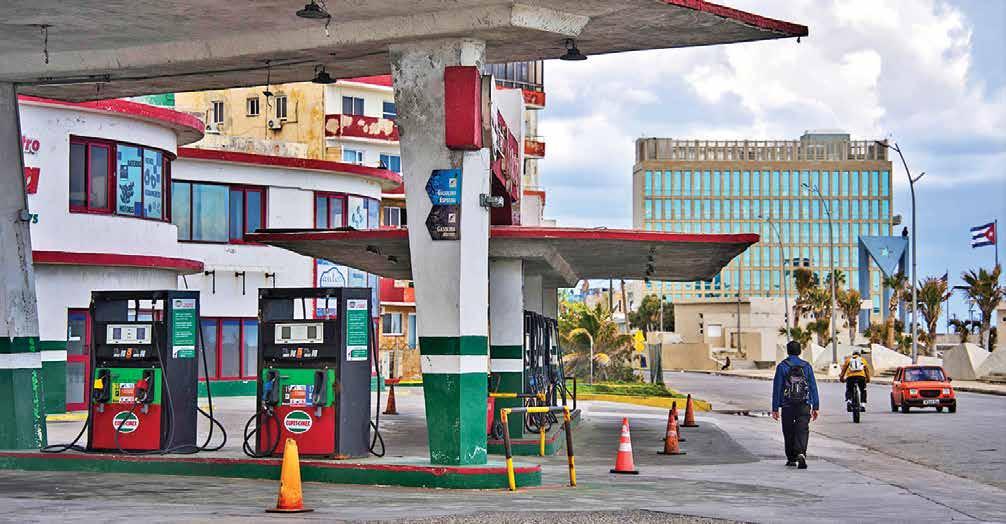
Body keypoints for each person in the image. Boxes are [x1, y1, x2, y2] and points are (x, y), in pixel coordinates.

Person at [772, 340, 820, 469]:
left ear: (788, 351)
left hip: (787, 404)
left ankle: (791, 458)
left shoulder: (782, 366)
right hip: (804, 404)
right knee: (802, 429)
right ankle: (801, 452)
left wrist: (775, 408)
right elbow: (813, 386)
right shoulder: (806, 366)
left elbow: (777, 388)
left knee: (788, 431)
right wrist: (815, 406)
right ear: (799, 351)